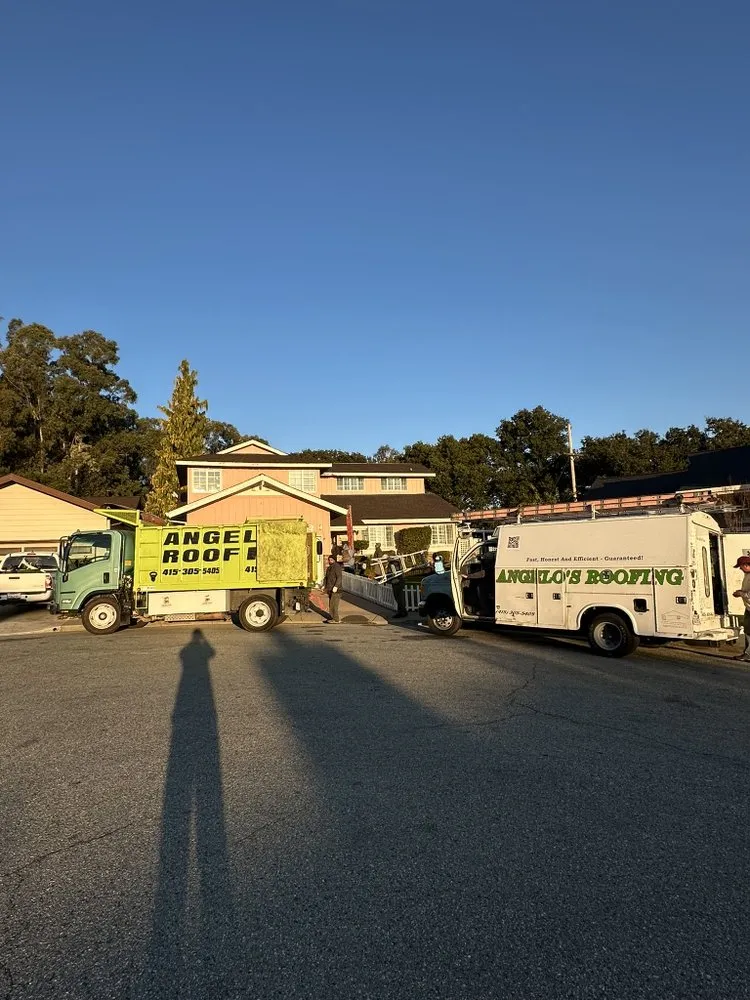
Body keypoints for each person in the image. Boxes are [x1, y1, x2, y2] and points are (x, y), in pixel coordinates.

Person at [732, 555, 750, 662]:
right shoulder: (747, 575)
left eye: (741, 566)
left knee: (748, 631)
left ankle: (748, 653)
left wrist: (740, 593)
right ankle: (747, 652)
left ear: (746, 565)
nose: (740, 568)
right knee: (747, 630)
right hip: (748, 607)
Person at [323, 555, 343, 624]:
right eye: (329, 560)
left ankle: (336, 619)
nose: (330, 561)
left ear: (334, 560)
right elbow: (326, 578)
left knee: (334, 605)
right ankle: (332, 617)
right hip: (330, 589)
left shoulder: (337, 567)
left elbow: (339, 577)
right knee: (331, 605)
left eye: (331, 560)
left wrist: (336, 586)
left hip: (336, 590)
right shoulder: (329, 568)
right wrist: (324, 586)